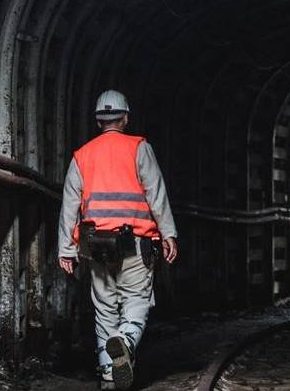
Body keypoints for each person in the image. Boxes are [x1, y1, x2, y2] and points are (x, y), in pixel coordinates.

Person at [57, 90, 179, 390]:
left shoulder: (82, 156)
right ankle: (124, 343)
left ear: (99, 121)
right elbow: (156, 193)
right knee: (136, 302)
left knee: (105, 308)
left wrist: (66, 250)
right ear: (125, 118)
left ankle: (109, 377)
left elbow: (69, 206)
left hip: (95, 245)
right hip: (135, 242)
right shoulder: (139, 148)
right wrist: (168, 233)